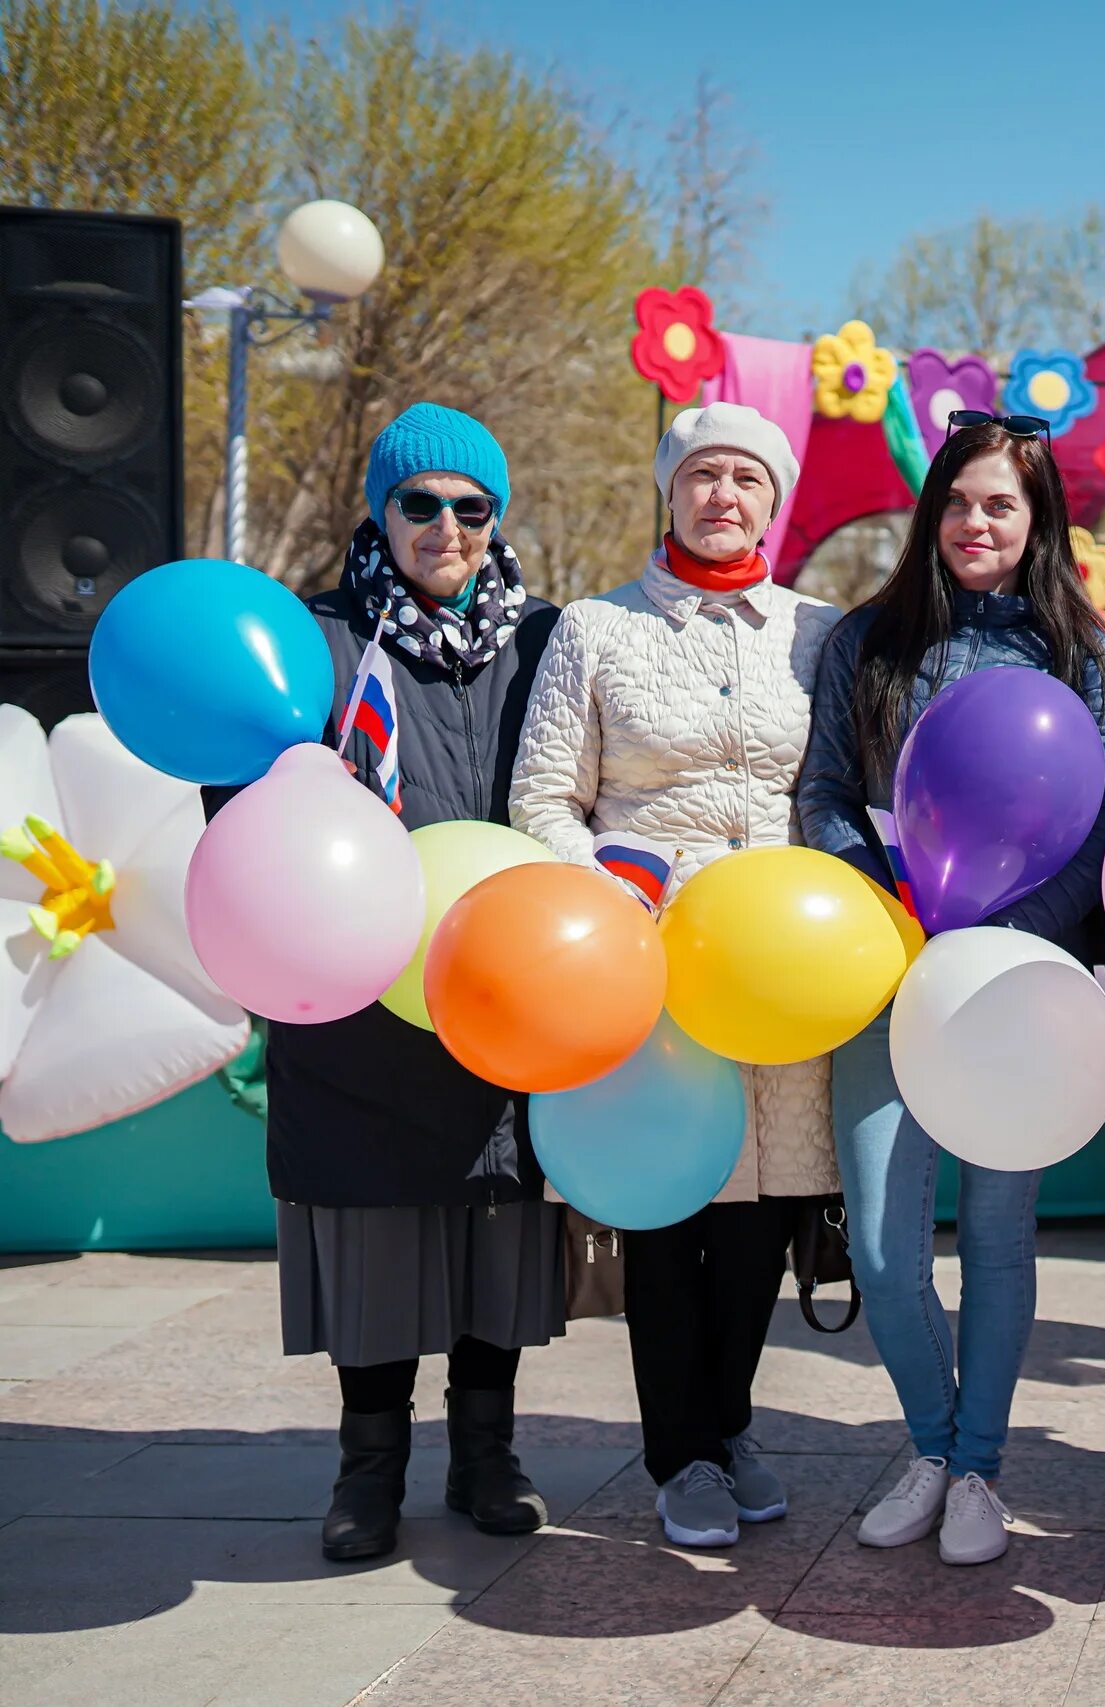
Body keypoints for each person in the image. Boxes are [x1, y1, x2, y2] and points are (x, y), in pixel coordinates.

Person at [797, 416, 1105, 1565]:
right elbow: (826, 792)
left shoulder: (1083, 651)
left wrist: (1010, 936)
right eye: (957, 502)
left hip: (1014, 994)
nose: (975, 524)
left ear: (1037, 524)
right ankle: (931, 1446)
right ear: (929, 510)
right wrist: (888, 915)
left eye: (1000, 505)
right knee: (887, 1242)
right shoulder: (866, 641)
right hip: (884, 973)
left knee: (997, 1231)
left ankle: (980, 1467)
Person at [511, 401, 843, 1551]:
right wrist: (608, 882)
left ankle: (731, 1422)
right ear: (669, 491)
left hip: (781, 969)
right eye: (702, 475)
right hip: (649, 963)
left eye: (746, 478)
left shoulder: (818, 631)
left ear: (774, 498)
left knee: (763, 1217)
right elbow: (543, 796)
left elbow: (840, 787)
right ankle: (679, 1453)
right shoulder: (595, 631)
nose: (723, 497)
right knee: (668, 1210)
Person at [267, 403, 560, 1563]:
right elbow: (252, 811)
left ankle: (488, 1455)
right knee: (380, 1241)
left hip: (505, 992)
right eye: (420, 504)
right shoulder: (316, 638)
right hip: (363, 1006)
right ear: (380, 513)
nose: (446, 527)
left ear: (496, 519)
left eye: (470, 507)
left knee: (497, 1236)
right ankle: (368, 1470)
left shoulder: (544, 641)